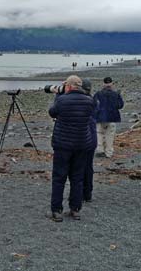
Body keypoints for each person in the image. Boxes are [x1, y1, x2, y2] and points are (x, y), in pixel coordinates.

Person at [48, 75, 96, 222]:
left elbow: (52, 112)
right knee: (77, 178)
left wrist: (58, 94)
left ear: (68, 86)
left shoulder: (62, 100)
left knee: (59, 178)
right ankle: (75, 209)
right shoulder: (90, 101)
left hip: (63, 144)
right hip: (81, 144)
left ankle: (56, 211)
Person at [93, 77, 124, 158]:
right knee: (109, 135)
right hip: (112, 118)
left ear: (103, 84)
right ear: (112, 84)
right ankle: (109, 152)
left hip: (100, 117)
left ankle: (100, 150)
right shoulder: (116, 94)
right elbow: (120, 105)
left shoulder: (98, 94)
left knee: (99, 133)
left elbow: (93, 105)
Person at [81, 78, 97, 203]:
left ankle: (82, 192)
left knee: (79, 166)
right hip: (91, 137)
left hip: (83, 138)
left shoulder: (83, 102)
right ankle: (88, 193)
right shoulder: (93, 101)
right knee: (88, 166)